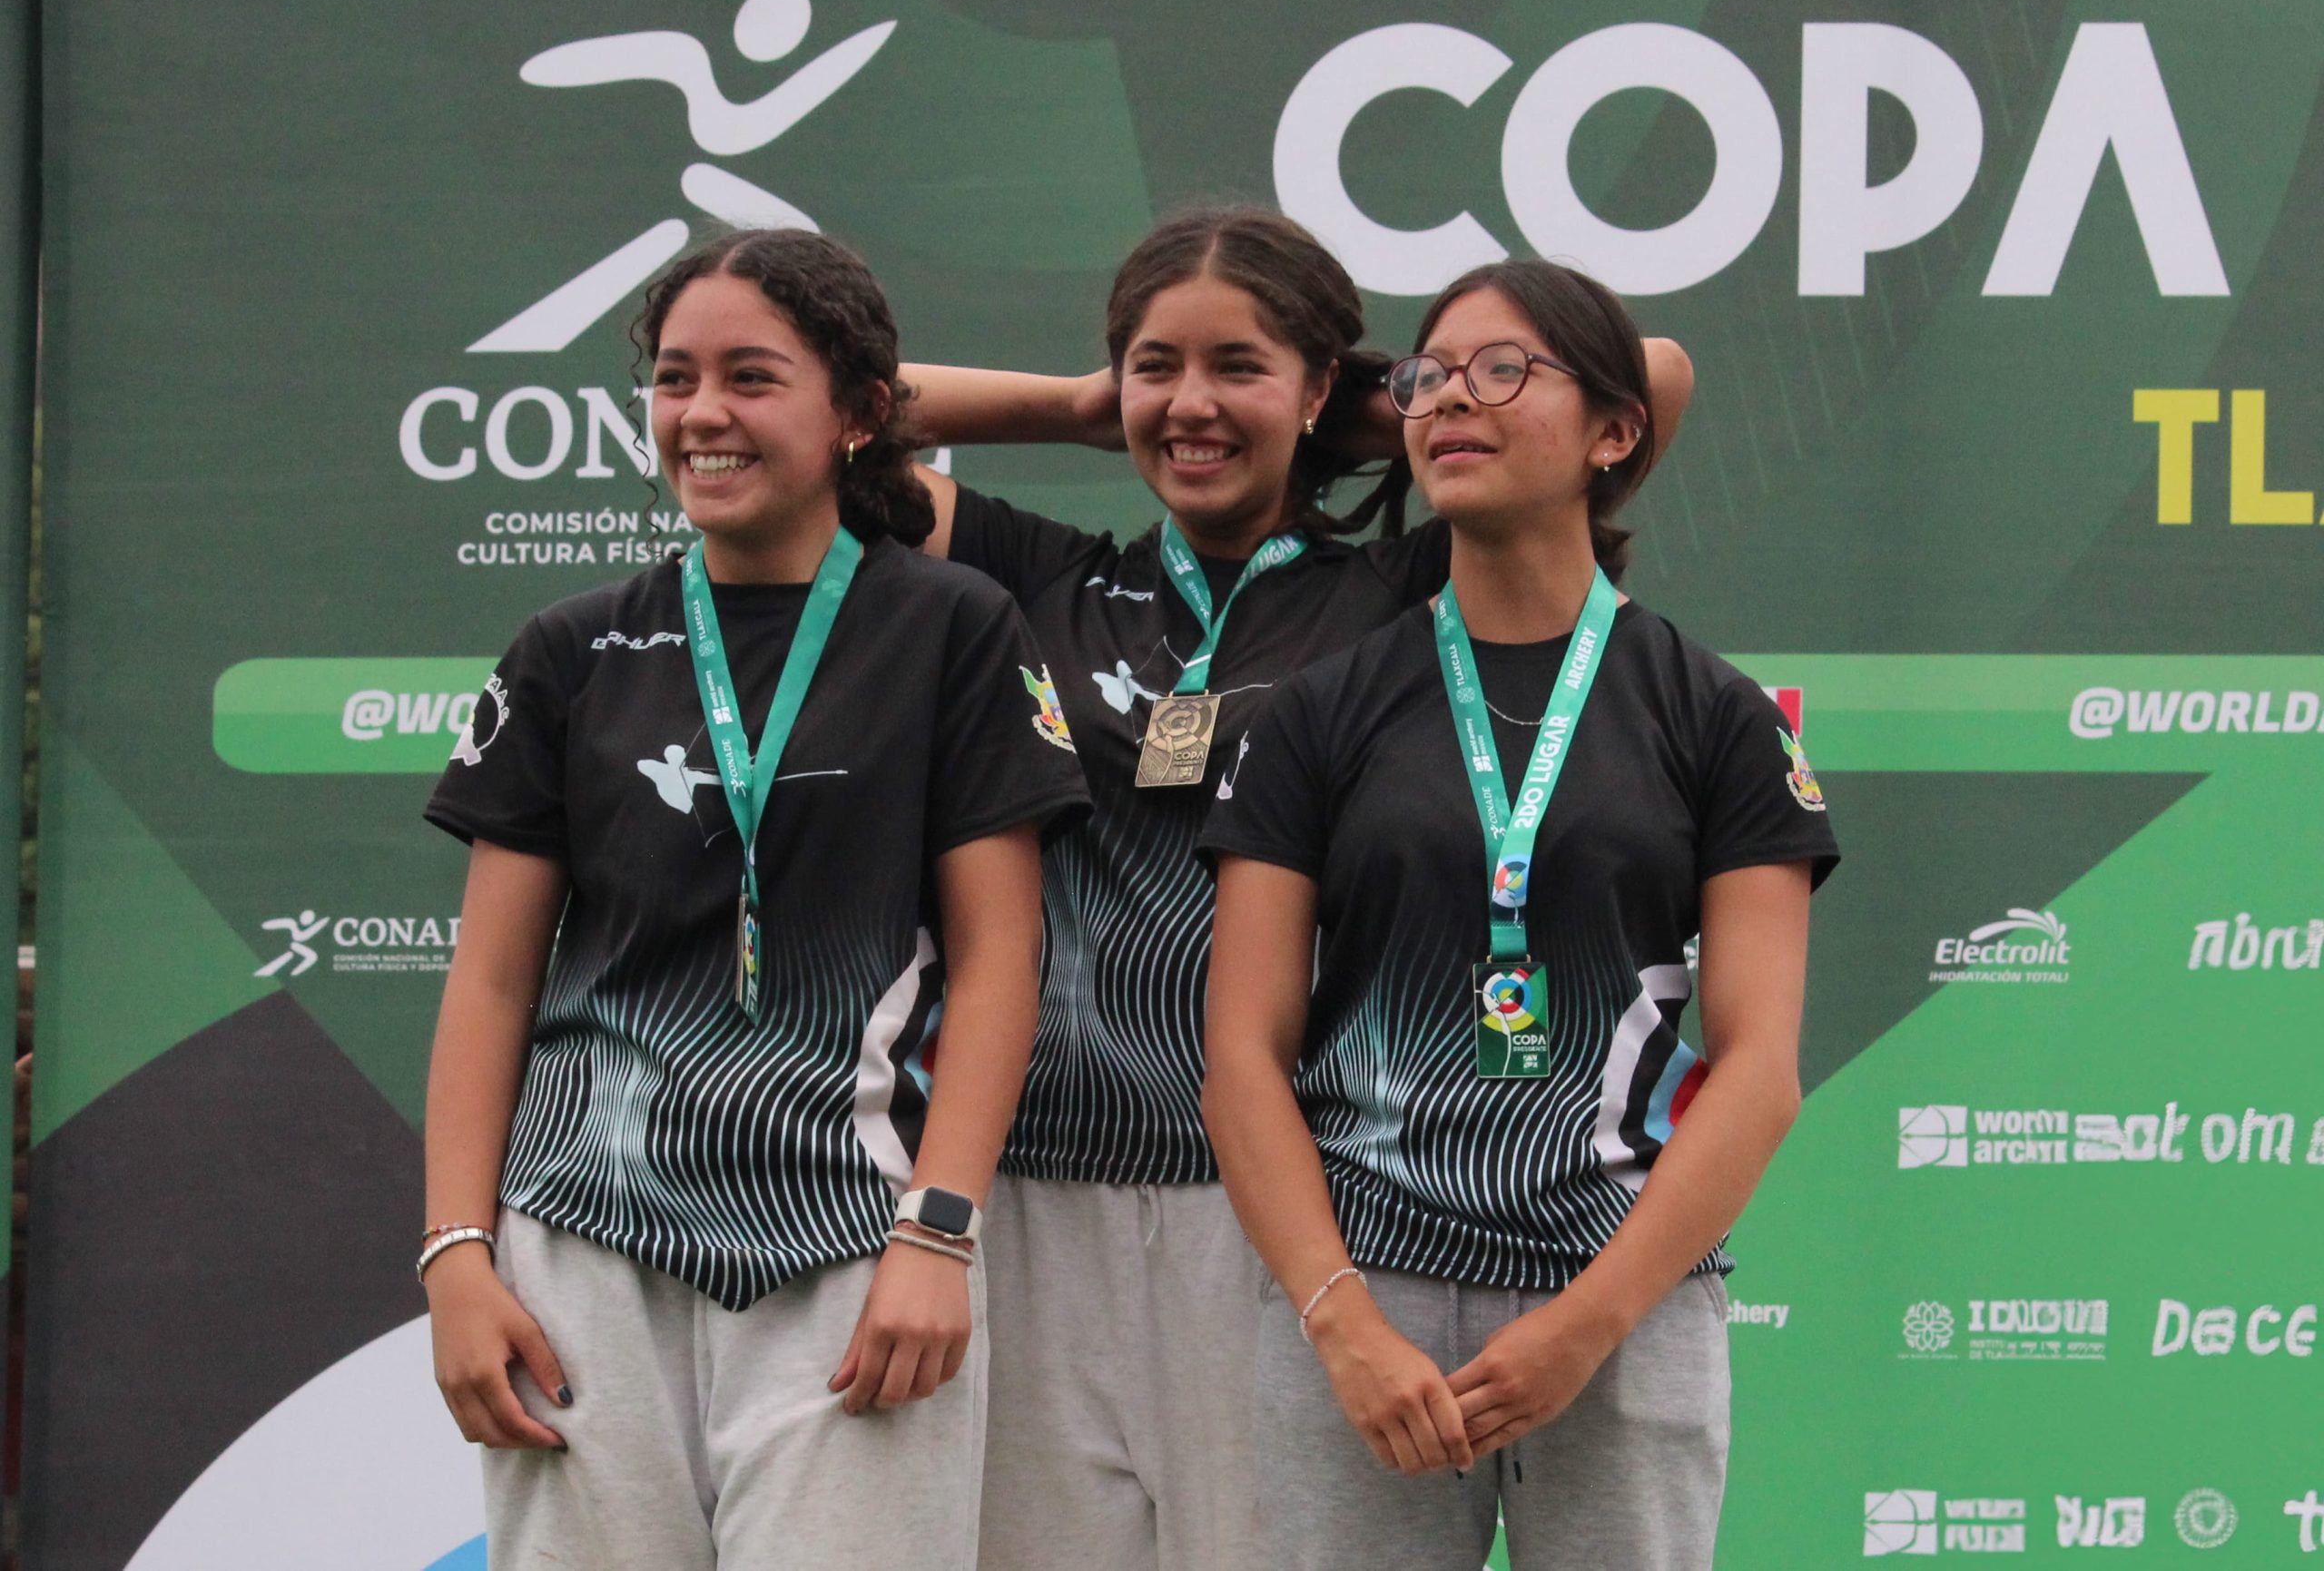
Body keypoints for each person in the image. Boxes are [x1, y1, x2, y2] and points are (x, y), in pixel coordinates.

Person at [894, 207, 1693, 1571]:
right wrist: (1097, 408)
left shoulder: (1401, 588)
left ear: (1322, 385)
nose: (1191, 403)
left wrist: (1382, 406)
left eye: (1238, 365)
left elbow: (1653, 376)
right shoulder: (1043, 577)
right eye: (1157, 364)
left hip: (1276, 1203)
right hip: (1034, 1189)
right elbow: (841, 421)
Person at [417, 228, 1088, 1571]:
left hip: (853, 1239)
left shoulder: (954, 627)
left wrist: (939, 1231)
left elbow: (999, 959)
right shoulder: (571, 647)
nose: (703, 413)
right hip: (583, 1248)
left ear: (859, 415)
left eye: (752, 377)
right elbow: (490, 979)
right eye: (675, 379)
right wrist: (455, 1256)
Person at [1198, 259, 1838, 1571]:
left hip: (1625, 1295)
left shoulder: (1715, 715)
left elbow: (1759, 1068)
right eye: (1429, 376)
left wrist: (1591, 1321)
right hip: (1363, 1296)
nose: (1450, 401)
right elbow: (1241, 1058)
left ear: (1614, 434)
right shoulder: (1321, 712)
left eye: (1505, 372)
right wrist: (1339, 1320)